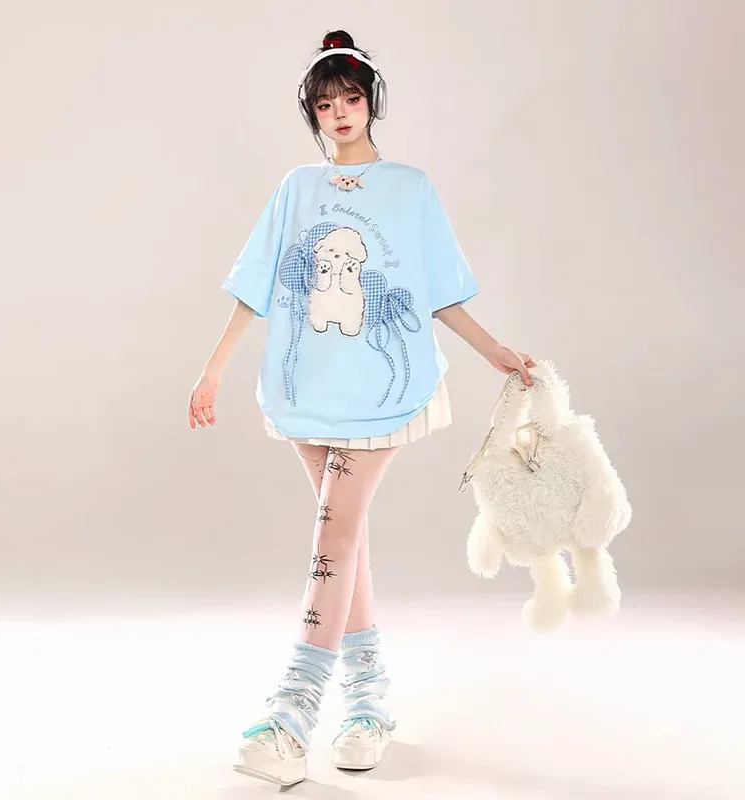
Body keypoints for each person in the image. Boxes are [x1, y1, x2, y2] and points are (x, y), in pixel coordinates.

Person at [188, 29, 535, 787]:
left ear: (370, 102)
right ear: (313, 114)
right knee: (345, 541)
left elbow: (440, 290)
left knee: (332, 534)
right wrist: (212, 370)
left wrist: (495, 350)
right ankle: (369, 701)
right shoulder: (296, 188)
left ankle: (292, 714)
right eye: (325, 104)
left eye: (350, 98)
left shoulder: (410, 188)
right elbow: (255, 282)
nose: (339, 113)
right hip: (306, 389)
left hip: (380, 389)